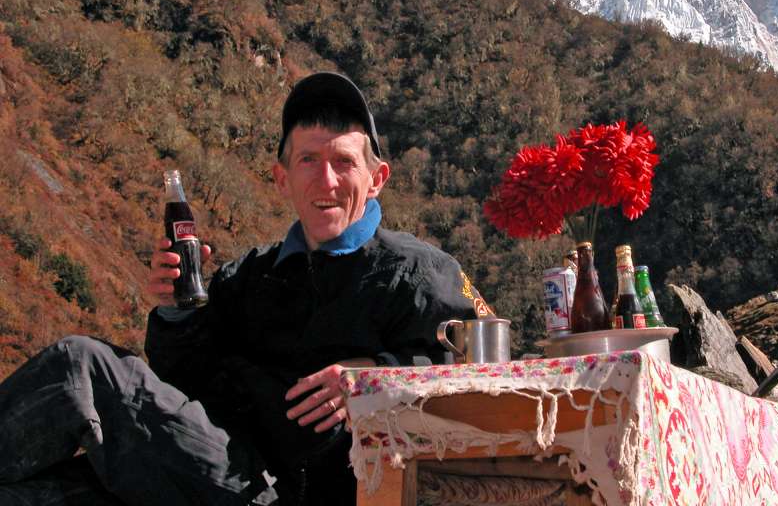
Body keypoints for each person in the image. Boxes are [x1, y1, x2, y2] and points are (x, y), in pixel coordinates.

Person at [0, 71, 491, 505]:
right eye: (308, 160)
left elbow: (492, 374)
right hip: (221, 472)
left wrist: (375, 381)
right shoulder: (248, 276)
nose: (326, 179)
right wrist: (176, 314)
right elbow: (185, 381)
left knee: (79, 365)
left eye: (343, 161)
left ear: (376, 178)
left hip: (327, 492)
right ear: (282, 179)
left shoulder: (422, 272)